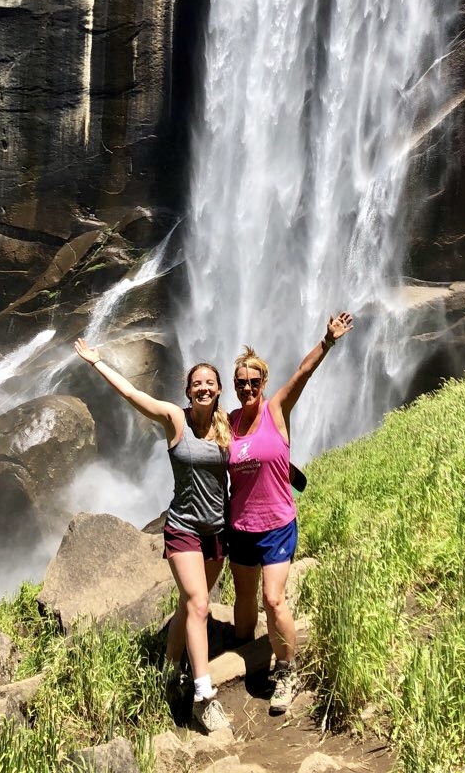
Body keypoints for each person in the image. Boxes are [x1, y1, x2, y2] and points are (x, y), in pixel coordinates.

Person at [73, 337, 231, 733]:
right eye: (197, 383)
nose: (204, 388)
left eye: (210, 382)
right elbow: (132, 393)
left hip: (216, 531)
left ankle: (169, 668)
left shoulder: (228, 426)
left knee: (191, 604)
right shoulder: (174, 419)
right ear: (187, 391)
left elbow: (260, 447)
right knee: (198, 602)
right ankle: (203, 695)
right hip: (182, 528)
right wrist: (97, 363)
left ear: (219, 389)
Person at [227, 311, 354, 715]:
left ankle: (287, 669)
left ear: (263, 384)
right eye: (240, 383)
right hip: (240, 526)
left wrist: (328, 341)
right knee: (244, 599)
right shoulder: (226, 423)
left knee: (272, 598)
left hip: (277, 524)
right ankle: (244, 652)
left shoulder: (276, 409)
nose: (247, 388)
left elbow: (302, 373)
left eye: (253, 382)